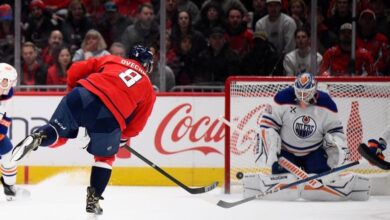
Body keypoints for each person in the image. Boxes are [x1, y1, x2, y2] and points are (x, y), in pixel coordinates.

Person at [11, 45, 156, 215]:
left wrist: (74, 92)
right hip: (110, 117)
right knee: (105, 158)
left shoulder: (111, 59)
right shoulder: (148, 88)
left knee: (56, 131)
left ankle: (39, 136)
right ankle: (93, 199)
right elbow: (138, 124)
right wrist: (122, 138)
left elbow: (75, 69)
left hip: (82, 94)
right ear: (146, 64)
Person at [243, 72, 370, 201]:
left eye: (307, 93)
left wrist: (337, 146)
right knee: (280, 174)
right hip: (286, 152)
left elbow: (336, 131)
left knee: (321, 173)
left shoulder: (327, 103)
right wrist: (269, 145)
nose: (303, 97)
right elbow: (267, 124)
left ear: (314, 89)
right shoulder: (282, 98)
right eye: (299, 92)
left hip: (313, 152)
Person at [0, 63, 23, 201]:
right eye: (4, 82)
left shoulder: (7, 93)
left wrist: (2, 133)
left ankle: (9, 187)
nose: (7, 86)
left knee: (9, 154)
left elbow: (7, 116)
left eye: (9, 83)